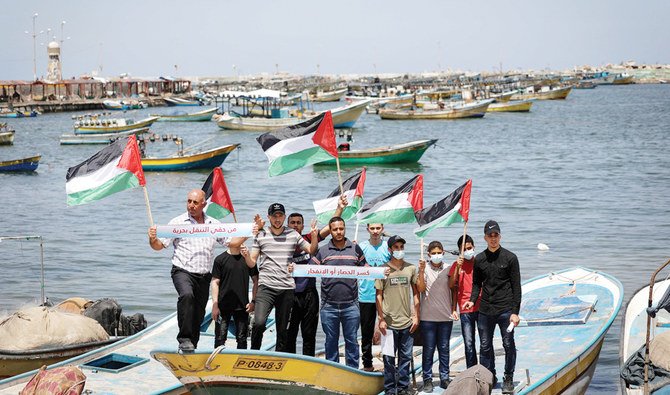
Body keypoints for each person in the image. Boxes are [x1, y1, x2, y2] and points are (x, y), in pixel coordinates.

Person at [148, 189, 249, 352]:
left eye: (195, 202)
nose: (191, 205)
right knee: (186, 296)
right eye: (189, 201)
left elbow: (231, 242)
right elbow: (159, 246)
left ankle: (191, 345)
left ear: (204, 204)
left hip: (203, 276)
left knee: (198, 313)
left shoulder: (213, 224)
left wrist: (249, 232)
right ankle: (184, 338)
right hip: (182, 270)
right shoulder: (178, 222)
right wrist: (152, 238)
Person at [247, 203, 318, 352]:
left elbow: (311, 250)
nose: (277, 219)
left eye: (280, 216)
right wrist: (245, 255)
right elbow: (252, 261)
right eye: (274, 216)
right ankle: (254, 352)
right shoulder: (261, 235)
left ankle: (279, 357)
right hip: (266, 287)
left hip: (286, 288)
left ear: (284, 217)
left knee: (282, 329)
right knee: (259, 323)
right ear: (269, 218)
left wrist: (314, 235)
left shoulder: (293, 234)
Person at [463, 220, 521, 393]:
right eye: (490, 236)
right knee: (485, 346)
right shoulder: (480, 259)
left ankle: (508, 378)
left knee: (508, 344)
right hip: (485, 310)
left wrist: (515, 312)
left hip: (505, 310)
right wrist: (473, 300)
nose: (493, 238)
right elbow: (476, 284)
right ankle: (490, 376)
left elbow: (516, 286)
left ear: (500, 236)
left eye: (496, 235)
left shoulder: (510, 258)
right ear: (485, 238)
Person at [285, 195, 347, 356]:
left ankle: (308, 363)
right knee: (289, 334)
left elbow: (330, 228)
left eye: (298, 223)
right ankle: (289, 363)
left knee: (309, 334)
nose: (296, 225)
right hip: (288, 293)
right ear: (287, 225)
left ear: (302, 225)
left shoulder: (309, 238)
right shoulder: (280, 240)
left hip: (309, 293)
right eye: (293, 223)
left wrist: (340, 208)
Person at [310, 216, 367, 368]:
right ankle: (332, 371)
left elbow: (366, 268)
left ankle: (353, 371)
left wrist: (380, 271)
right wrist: (293, 269)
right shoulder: (323, 251)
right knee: (330, 341)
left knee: (352, 341)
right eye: (335, 229)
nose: (338, 232)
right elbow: (309, 268)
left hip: (351, 305)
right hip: (329, 306)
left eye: (341, 228)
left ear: (345, 229)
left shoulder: (355, 249)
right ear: (330, 231)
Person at [376, 235, 420, 395]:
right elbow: (378, 295)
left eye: (401, 247)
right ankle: (389, 389)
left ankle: (402, 388)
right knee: (388, 359)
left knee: (405, 357)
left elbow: (416, 294)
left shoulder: (411, 268)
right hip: (388, 323)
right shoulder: (383, 270)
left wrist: (416, 316)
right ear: (390, 250)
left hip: (407, 322)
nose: (399, 250)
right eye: (396, 247)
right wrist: (380, 319)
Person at [416, 240, 458, 392]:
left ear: (443, 252)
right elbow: (420, 288)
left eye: (439, 252)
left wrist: (454, 309)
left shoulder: (448, 268)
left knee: (444, 348)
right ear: (428, 254)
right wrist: (420, 271)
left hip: (445, 317)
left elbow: (454, 288)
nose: (436, 255)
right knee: (428, 349)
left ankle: (444, 378)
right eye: (433, 253)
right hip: (427, 317)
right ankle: (427, 379)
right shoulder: (424, 268)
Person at [211, 243, 258, 349]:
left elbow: (256, 281)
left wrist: (253, 302)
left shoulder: (248, 260)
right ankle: (218, 362)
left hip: (242, 306)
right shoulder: (220, 259)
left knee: (242, 339)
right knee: (220, 338)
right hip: (223, 306)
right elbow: (215, 282)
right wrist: (215, 305)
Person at [358, 223, 391, 372]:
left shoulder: (387, 247)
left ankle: (389, 364)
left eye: (378, 228)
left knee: (387, 331)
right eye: (372, 228)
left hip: (386, 296)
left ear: (382, 229)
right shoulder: (361, 246)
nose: (375, 231)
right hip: (366, 295)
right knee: (366, 332)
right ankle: (367, 364)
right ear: (368, 230)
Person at [448, 234, 481, 369]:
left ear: (474, 247)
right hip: (465, 310)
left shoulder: (480, 262)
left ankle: (488, 371)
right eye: (464, 249)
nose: (468, 251)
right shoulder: (456, 265)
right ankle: (472, 371)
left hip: (481, 307)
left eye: (470, 248)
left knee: (485, 343)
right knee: (469, 343)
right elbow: (451, 286)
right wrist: (457, 267)